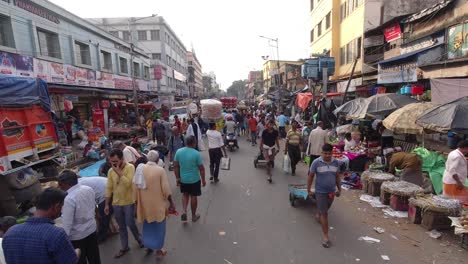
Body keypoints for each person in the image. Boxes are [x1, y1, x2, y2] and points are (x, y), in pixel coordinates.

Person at [2, 188, 79, 264]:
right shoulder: (56, 234)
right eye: (62, 206)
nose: (62, 210)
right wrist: (77, 252)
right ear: (56, 207)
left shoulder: (10, 233)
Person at [133, 151, 175, 258]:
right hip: (158, 205)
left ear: (147, 159)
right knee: (159, 227)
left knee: (148, 226)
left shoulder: (140, 169)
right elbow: (166, 189)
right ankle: (159, 250)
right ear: (157, 160)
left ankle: (148, 246)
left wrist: (136, 204)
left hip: (144, 205)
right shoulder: (160, 170)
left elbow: (135, 188)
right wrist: (171, 202)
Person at [105, 149, 143, 258]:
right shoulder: (110, 171)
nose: (113, 164)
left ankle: (139, 239)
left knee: (130, 223)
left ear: (122, 159)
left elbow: (129, 184)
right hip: (116, 203)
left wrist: (119, 173)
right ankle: (124, 247)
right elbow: (109, 188)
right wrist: (107, 204)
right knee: (121, 226)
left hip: (129, 201)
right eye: (112, 162)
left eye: (116, 161)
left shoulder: (130, 168)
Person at [58, 171, 101, 264]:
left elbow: (67, 224)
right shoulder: (88, 189)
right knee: (95, 258)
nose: (59, 187)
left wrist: (63, 242)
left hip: (77, 237)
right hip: (91, 230)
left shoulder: (68, 199)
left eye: (60, 184)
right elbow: (94, 205)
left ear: (65, 184)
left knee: (81, 261)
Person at [307, 144, 342, 248]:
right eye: (325, 153)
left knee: (325, 209)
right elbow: (311, 176)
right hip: (320, 192)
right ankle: (326, 237)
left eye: (329, 153)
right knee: (325, 214)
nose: (327, 155)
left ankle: (319, 213)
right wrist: (308, 189)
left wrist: (339, 189)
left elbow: (337, 177)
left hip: (331, 192)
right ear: (321, 152)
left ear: (332, 153)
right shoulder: (316, 162)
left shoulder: (336, 162)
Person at [174, 136, 206, 222]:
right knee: (193, 196)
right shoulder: (196, 153)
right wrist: (203, 180)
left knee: (185, 195)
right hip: (194, 179)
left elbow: (176, 166)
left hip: (183, 179)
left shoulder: (179, 151)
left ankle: (184, 211)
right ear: (193, 143)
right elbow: (201, 169)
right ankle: (193, 216)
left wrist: (177, 178)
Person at [78, 176, 111, 244]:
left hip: (104, 190)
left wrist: (96, 212)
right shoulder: (79, 181)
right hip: (106, 184)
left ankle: (102, 236)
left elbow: (90, 201)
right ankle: (107, 231)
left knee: (103, 215)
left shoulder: (78, 187)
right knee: (104, 213)